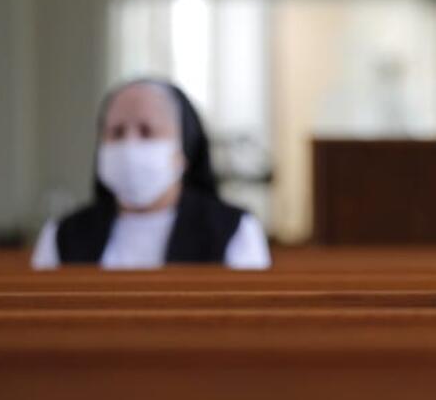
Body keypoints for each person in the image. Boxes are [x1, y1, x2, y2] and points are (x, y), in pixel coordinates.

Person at [31, 78, 271, 270]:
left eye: (147, 132)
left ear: (183, 150)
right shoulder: (61, 236)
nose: (129, 145)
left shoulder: (235, 231)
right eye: (116, 132)